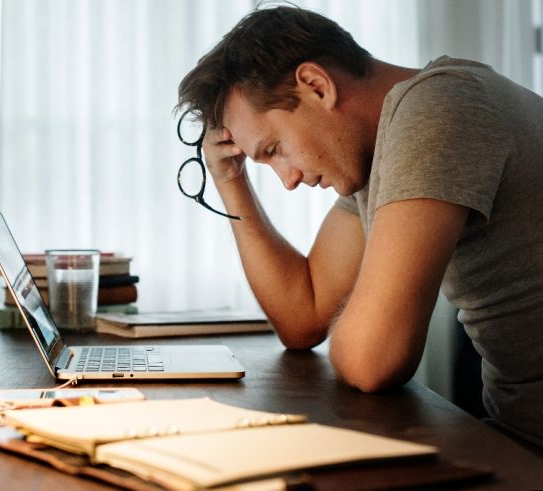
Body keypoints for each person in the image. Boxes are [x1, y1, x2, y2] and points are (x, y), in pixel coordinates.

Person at [176, 5, 543, 450]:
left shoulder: (441, 107)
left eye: (275, 149)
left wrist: (365, 323)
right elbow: (304, 317)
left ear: (316, 85)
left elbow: (374, 359)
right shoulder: (378, 153)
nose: (288, 179)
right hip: (515, 434)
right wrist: (230, 180)